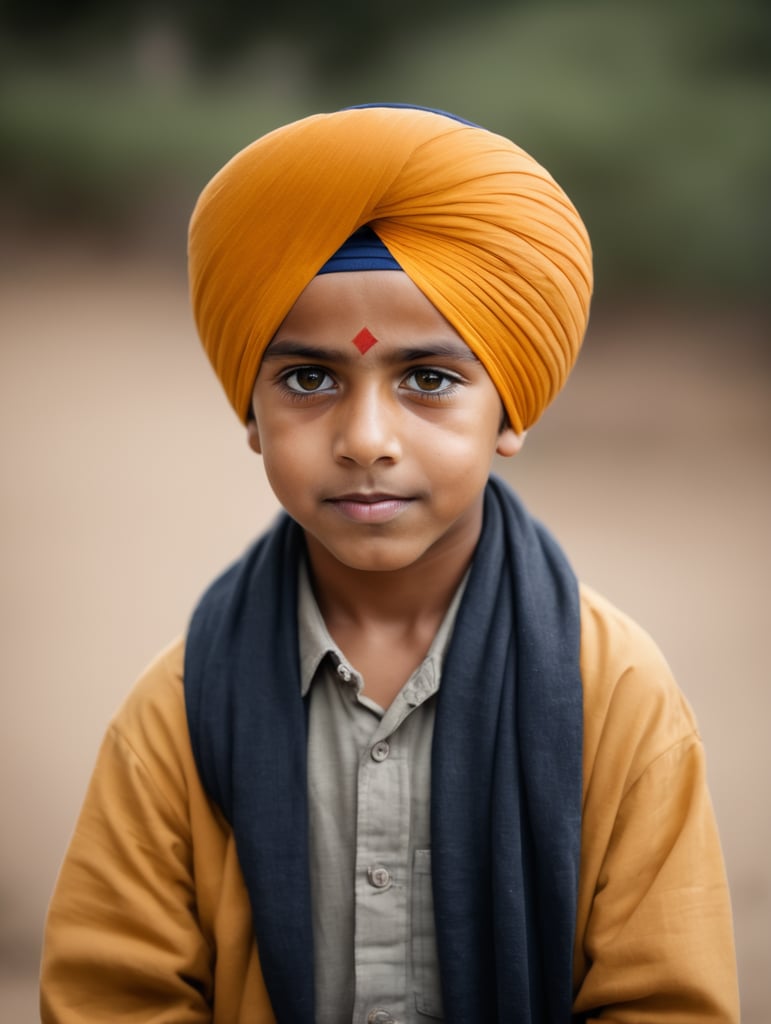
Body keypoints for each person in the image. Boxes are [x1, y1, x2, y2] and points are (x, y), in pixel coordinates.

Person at [40, 104, 740, 1023]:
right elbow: (111, 999)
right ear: (248, 415)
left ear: (512, 407)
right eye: (308, 379)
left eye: (429, 379)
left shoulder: (614, 695)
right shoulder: (179, 710)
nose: (365, 439)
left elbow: (664, 1001)